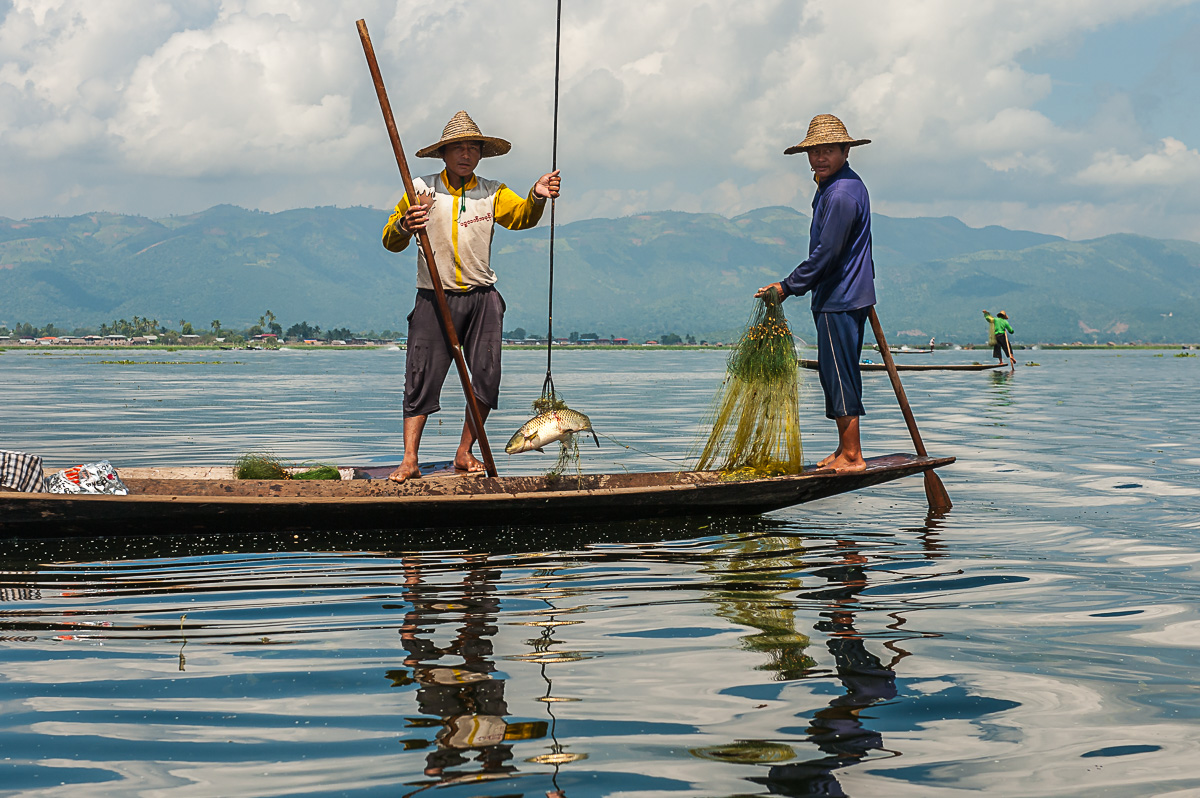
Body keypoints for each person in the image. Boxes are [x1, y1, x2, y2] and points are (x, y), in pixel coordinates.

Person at [382, 111, 561, 483]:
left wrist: (538, 195)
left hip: (482, 298)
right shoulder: (421, 189)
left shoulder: (493, 191)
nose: (465, 154)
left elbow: (522, 217)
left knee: (485, 378)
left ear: (480, 154)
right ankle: (409, 459)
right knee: (421, 377)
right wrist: (405, 224)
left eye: (472, 148)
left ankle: (464, 453)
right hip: (434, 297)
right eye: (458, 148)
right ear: (444, 154)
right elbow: (390, 239)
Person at [756, 114, 875, 473]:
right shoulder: (834, 185)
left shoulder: (841, 193)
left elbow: (827, 254)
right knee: (834, 372)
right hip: (838, 295)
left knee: (839, 375)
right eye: (814, 152)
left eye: (827, 151)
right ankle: (844, 450)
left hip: (841, 296)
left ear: (844, 151)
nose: (820, 158)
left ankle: (852, 456)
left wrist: (787, 286)